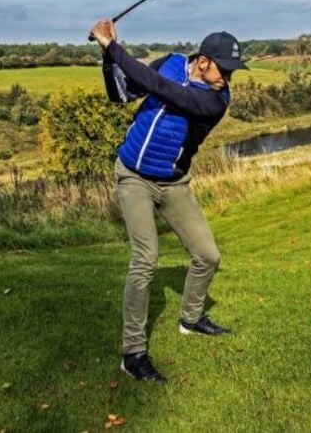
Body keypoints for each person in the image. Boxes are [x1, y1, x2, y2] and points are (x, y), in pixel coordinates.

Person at [89, 19, 248, 384]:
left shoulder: (216, 100)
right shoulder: (172, 61)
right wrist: (107, 58)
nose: (229, 77)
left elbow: (163, 90)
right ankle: (133, 354)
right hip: (133, 176)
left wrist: (113, 47)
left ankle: (191, 319)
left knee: (208, 255)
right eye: (225, 69)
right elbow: (123, 93)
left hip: (174, 183)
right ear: (203, 61)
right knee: (145, 259)